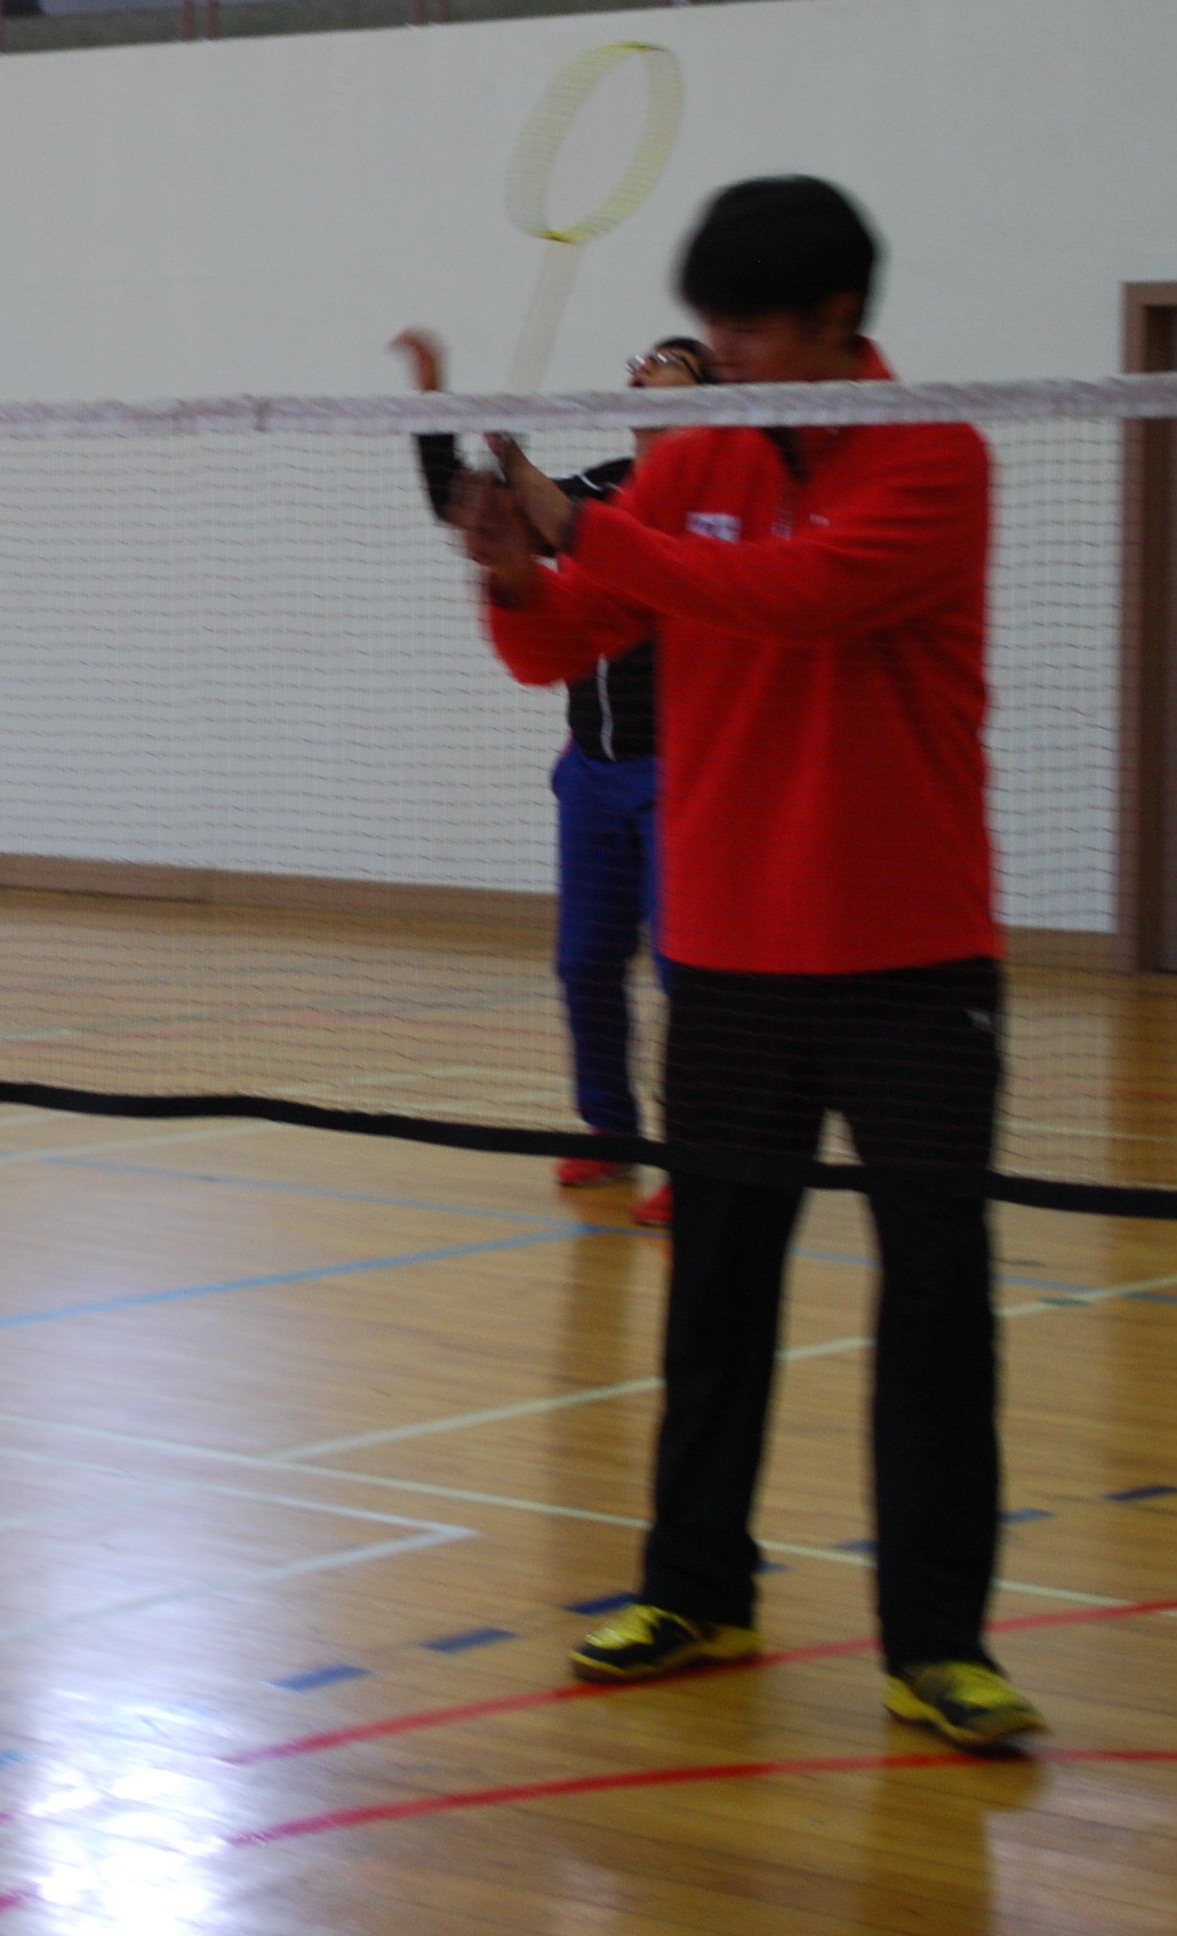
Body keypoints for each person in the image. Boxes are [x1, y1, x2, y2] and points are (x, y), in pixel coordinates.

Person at [452, 177, 1042, 1753]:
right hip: (723, 959)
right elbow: (563, 640)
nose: (722, 350)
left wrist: (586, 527)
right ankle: (697, 1587)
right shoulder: (695, 455)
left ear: (839, 322)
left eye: (752, 325)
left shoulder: (934, 453)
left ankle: (938, 1646)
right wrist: (510, 566)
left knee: (937, 1307)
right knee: (713, 1297)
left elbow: (801, 601)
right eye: (709, 322)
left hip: (913, 960)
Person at [393, 326, 712, 1222]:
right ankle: (610, 1131)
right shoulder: (597, 489)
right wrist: (436, 401)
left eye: (668, 364)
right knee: (584, 963)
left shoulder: (712, 505)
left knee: (687, 974)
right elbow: (461, 505)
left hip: (683, 777)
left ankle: (694, 1158)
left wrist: (521, 472)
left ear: (715, 395)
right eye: (638, 363)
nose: (642, 372)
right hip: (592, 775)